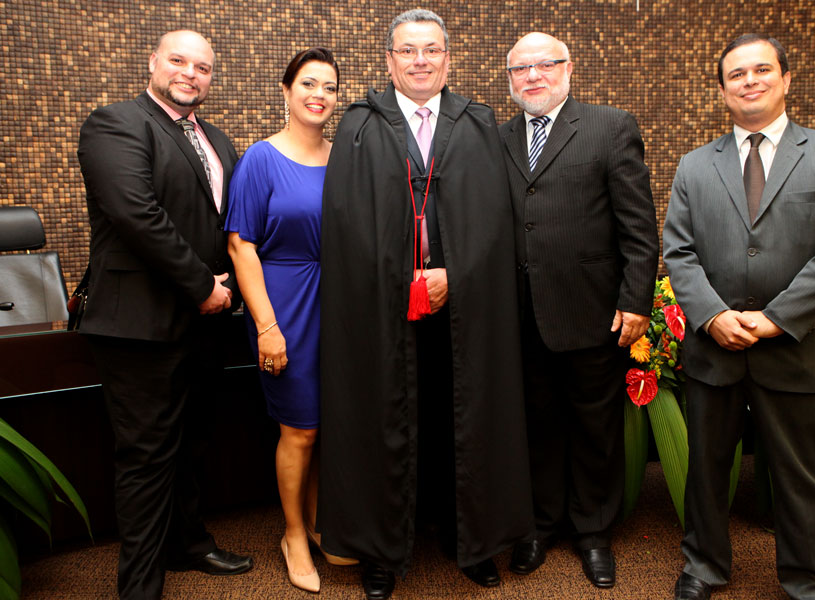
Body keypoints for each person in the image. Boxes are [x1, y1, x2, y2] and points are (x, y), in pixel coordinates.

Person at [316, 9, 532, 600]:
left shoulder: (477, 122)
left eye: (431, 50)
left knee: (461, 416)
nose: (420, 61)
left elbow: (495, 222)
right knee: (385, 416)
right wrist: (398, 278)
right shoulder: (360, 125)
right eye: (408, 50)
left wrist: (453, 275)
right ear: (389, 61)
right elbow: (347, 222)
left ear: (447, 58)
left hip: (463, 304)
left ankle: (473, 542)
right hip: (382, 307)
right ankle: (381, 550)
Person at [663, 34, 815, 600]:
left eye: (762, 70)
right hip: (714, 349)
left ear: (785, 79)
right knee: (707, 470)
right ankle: (703, 566)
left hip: (794, 346)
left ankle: (812, 581)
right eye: (736, 74)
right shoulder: (694, 165)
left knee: (803, 476)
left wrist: (776, 318)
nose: (750, 81)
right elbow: (678, 251)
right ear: (722, 90)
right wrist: (712, 316)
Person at [77, 30, 252, 599]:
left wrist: (231, 290)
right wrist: (202, 285)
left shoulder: (217, 140)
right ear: (153, 62)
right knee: (147, 457)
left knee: (193, 443)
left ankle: (188, 544)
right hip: (140, 324)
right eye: (178, 61)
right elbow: (136, 214)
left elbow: (225, 226)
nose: (190, 74)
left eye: (202, 67)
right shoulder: (116, 123)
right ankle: (140, 587)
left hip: (205, 323)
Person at [498, 32, 659, 589]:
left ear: (569, 69)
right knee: (536, 425)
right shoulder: (498, 138)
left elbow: (639, 226)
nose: (533, 75)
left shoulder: (610, 127)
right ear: (510, 79)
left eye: (545, 64)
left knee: (595, 427)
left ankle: (593, 532)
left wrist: (636, 300)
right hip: (521, 315)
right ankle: (541, 525)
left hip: (593, 310)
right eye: (521, 68)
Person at [226, 47, 355, 594]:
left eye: (329, 86)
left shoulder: (345, 158)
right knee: (299, 428)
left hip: (340, 303)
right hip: (284, 303)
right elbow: (240, 246)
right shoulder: (261, 158)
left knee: (330, 424)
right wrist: (266, 326)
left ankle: (324, 523)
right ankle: (294, 534)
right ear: (286, 90)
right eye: (307, 83)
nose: (318, 95)